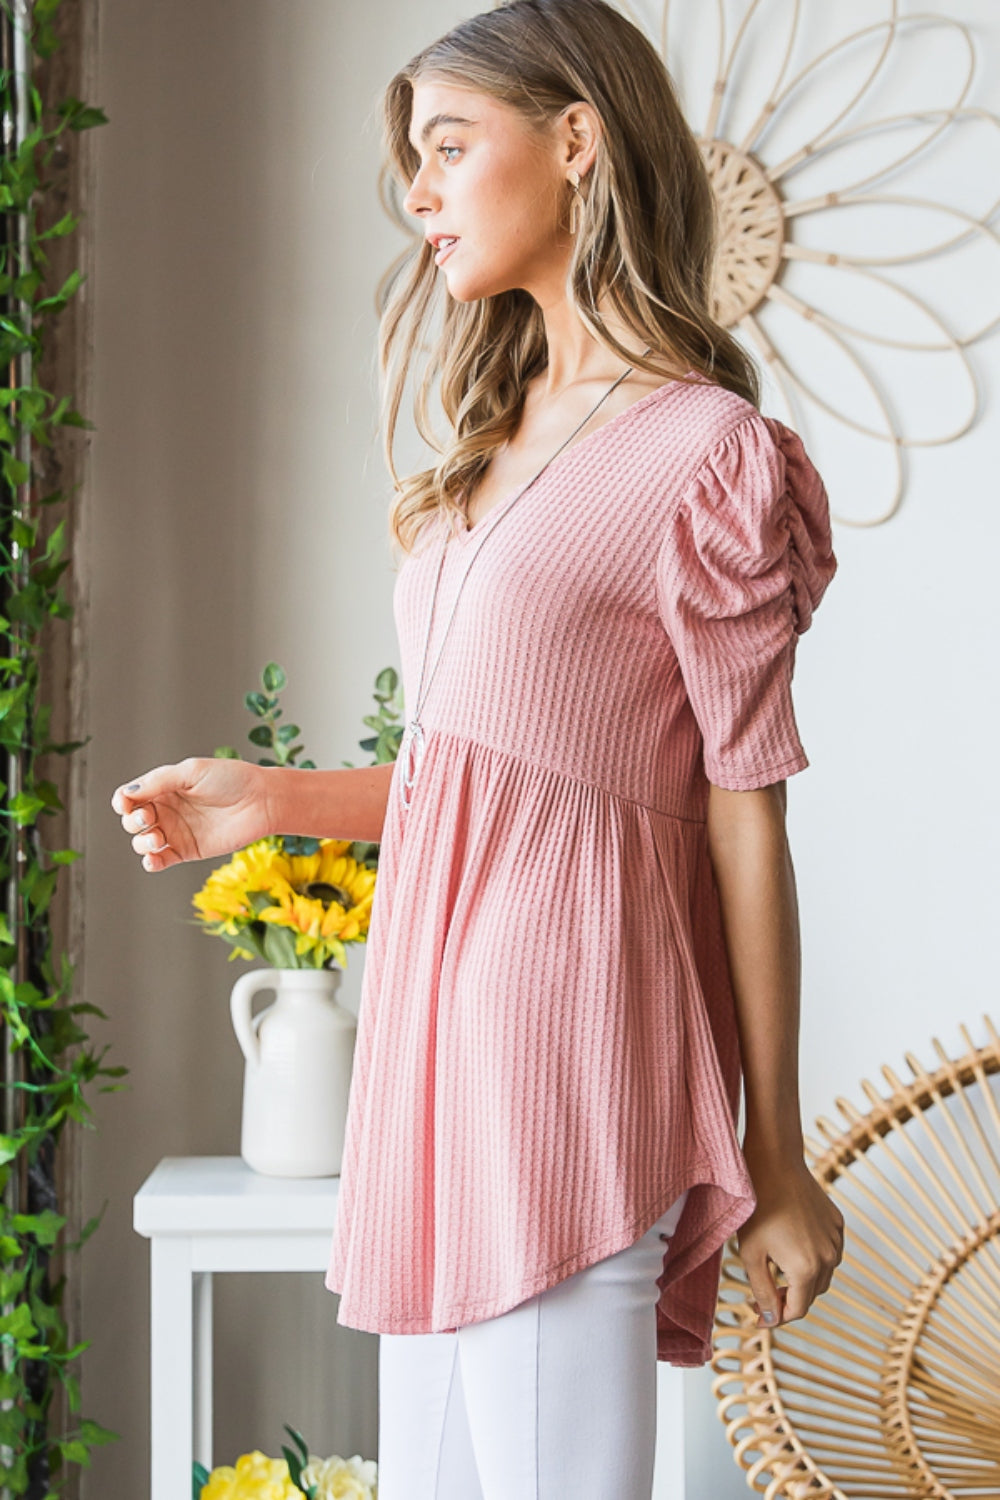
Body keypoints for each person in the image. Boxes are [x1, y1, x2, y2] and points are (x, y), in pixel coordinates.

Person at [111, 1, 845, 1494]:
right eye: (414, 161)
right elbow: (495, 779)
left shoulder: (708, 454)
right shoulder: (492, 438)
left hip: (575, 1050)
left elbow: (739, 819)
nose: (419, 192)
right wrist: (274, 804)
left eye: (451, 147)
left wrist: (781, 1157)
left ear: (576, 142)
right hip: (435, 1047)